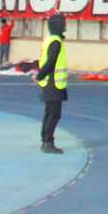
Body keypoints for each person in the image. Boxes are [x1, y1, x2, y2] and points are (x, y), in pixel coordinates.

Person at [35, 13, 68, 155]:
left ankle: (46, 140)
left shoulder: (50, 40)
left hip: (49, 82)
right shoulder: (56, 42)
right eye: (64, 23)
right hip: (53, 84)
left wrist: (40, 76)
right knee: (54, 114)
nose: (65, 25)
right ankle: (47, 142)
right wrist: (39, 76)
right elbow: (50, 62)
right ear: (58, 25)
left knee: (49, 113)